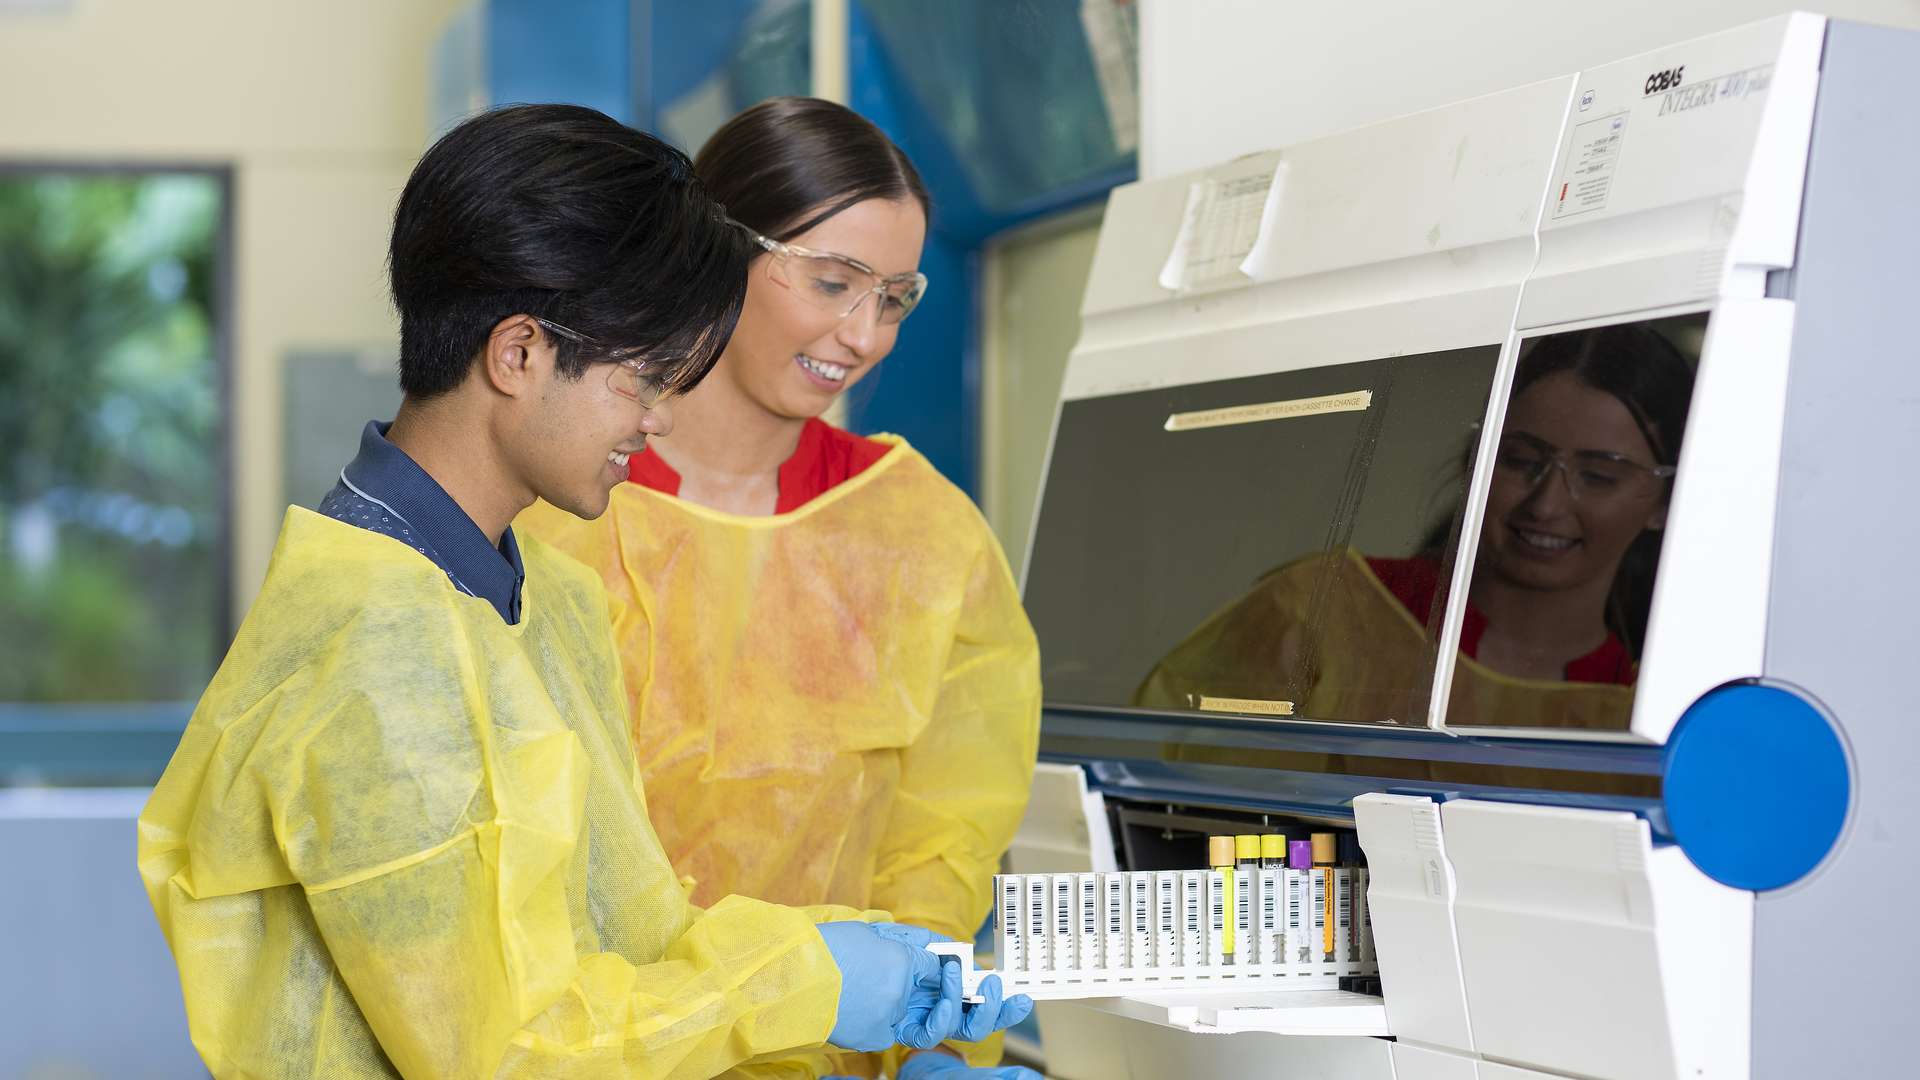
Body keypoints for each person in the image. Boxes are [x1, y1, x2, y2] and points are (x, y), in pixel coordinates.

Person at [136, 104, 1028, 1080]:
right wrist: (810, 980)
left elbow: (631, 938)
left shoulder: (538, 595)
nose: (659, 418)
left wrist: (872, 980)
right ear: (518, 354)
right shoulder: (375, 645)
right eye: (643, 378)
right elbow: (508, 1053)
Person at [518, 98, 1041, 1080]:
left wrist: (917, 1035)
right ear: (715, 250)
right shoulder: (567, 510)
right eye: (834, 282)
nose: (862, 335)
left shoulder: (914, 533)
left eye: (894, 297)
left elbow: (941, 840)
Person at [1137, 322, 1694, 735]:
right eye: (1521, 460)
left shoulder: (1655, 701)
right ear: (1472, 460)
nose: (1547, 504)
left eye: (1598, 476)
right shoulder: (1325, 612)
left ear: (1666, 502)